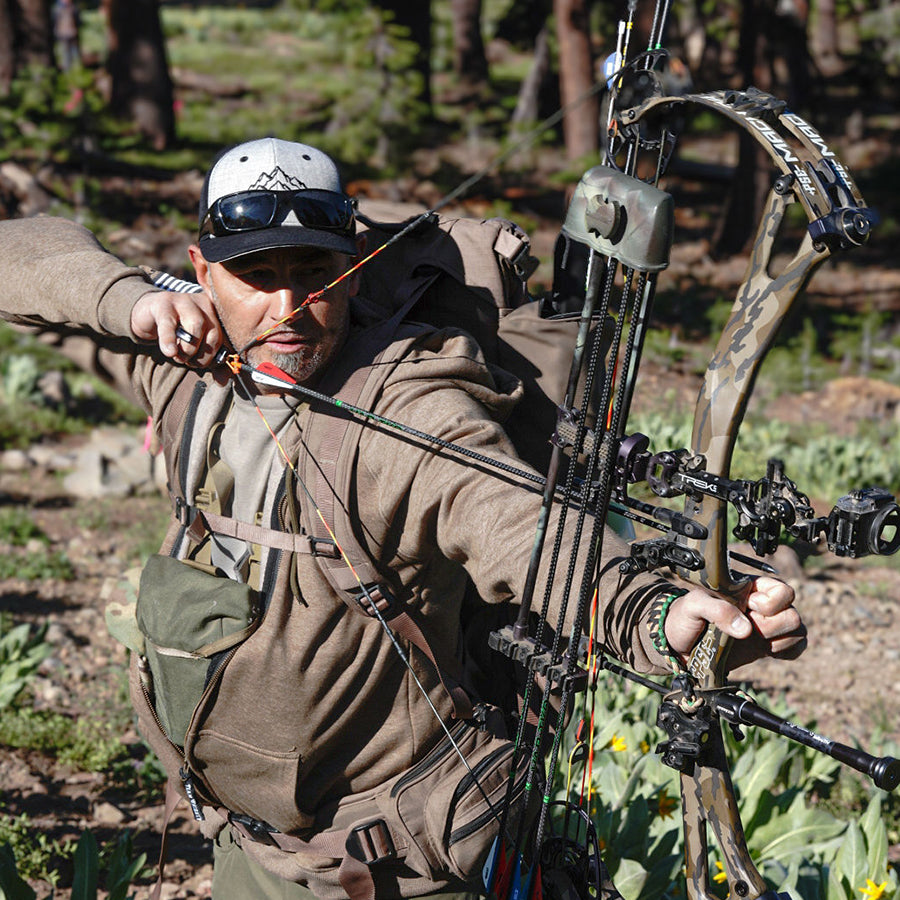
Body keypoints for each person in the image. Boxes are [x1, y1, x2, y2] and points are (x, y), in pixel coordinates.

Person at [0, 137, 805, 900]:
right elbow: (17, 259)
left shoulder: (408, 408)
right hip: (248, 844)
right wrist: (129, 302)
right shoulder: (185, 362)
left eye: (314, 272)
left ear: (354, 267)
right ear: (201, 271)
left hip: (387, 864)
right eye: (255, 274)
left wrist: (654, 613)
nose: (288, 307)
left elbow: (513, 522)